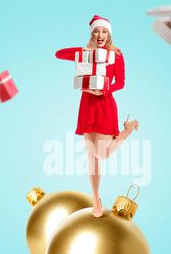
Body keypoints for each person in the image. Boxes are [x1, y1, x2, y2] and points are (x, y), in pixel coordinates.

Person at [55, 15, 139, 218]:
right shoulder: (85, 54)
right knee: (92, 159)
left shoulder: (116, 55)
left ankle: (128, 129)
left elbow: (121, 81)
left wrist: (105, 90)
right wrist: (84, 52)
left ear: (109, 34)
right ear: (91, 33)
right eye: (96, 31)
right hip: (86, 105)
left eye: (104, 32)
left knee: (102, 154)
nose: (100, 35)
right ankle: (96, 199)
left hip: (104, 104)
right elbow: (58, 54)